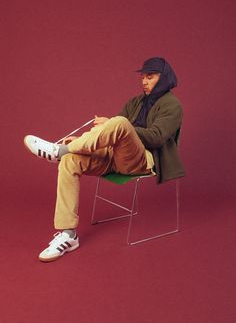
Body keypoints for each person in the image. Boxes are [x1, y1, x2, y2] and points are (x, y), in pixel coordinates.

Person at [24, 57, 185, 262]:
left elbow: (155, 137)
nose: (144, 81)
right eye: (143, 77)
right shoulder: (136, 102)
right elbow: (112, 133)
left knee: (118, 122)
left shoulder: (173, 106)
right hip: (114, 156)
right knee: (70, 161)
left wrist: (115, 124)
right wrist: (82, 141)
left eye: (150, 77)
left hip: (143, 159)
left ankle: (60, 151)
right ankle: (68, 234)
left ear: (164, 78)